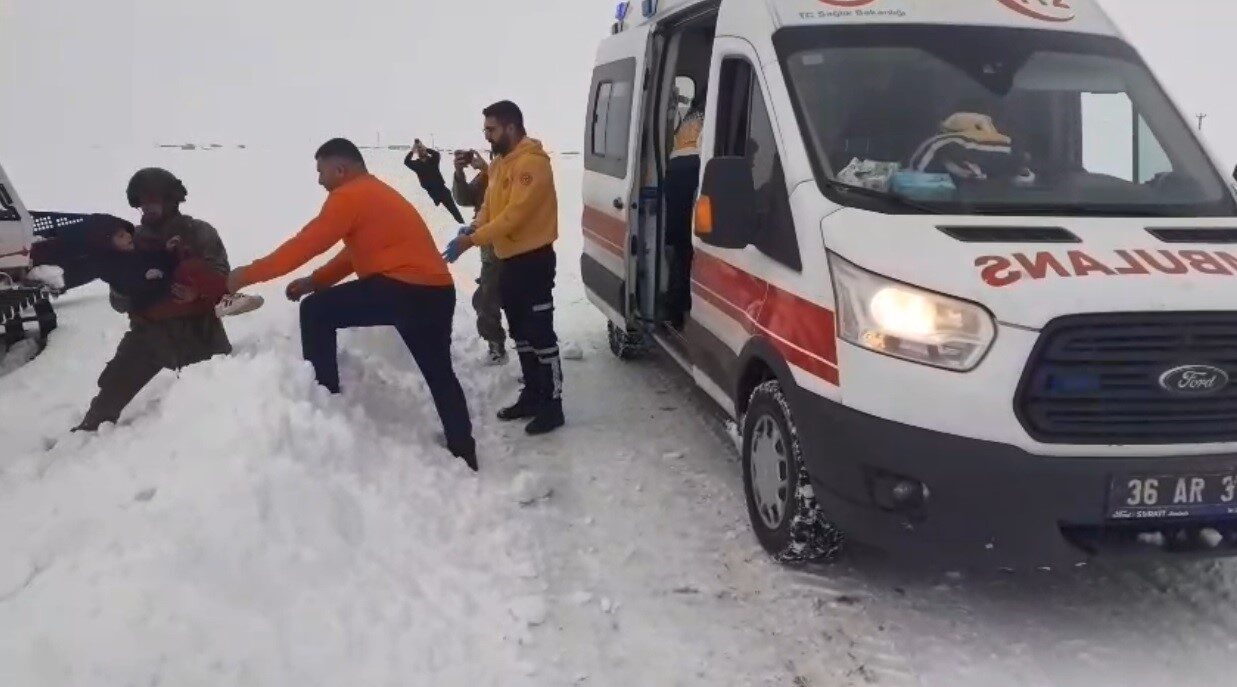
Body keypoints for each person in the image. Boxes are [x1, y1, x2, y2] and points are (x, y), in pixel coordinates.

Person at [227, 138, 477, 471]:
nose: (319, 180)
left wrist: (245, 275)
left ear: (339, 169)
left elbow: (305, 244)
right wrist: (316, 281)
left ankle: (322, 405)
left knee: (316, 311)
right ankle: (464, 452)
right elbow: (355, 252)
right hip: (435, 291)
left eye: (321, 172)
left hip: (403, 289)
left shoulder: (348, 196)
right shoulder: (375, 193)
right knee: (440, 374)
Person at [75, 169, 233, 432]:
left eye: (153, 200)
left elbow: (222, 280)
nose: (146, 207)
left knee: (221, 403)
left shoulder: (200, 233)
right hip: (148, 333)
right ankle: (78, 447)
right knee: (106, 402)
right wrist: (126, 288)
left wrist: (197, 292)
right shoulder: (130, 239)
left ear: (171, 199)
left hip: (198, 331)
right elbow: (118, 301)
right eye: (141, 201)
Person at [443, 101, 563, 436]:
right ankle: (533, 395)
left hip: (534, 261)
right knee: (521, 333)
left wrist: (474, 239)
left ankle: (553, 404)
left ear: (510, 127)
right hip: (507, 261)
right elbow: (489, 209)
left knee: (540, 333)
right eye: (485, 130)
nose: (487, 136)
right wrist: (473, 228)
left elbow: (514, 216)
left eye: (491, 130)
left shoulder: (532, 165)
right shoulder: (497, 165)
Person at [452, 148, 508, 366]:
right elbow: (463, 197)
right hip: (490, 251)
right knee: (485, 300)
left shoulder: (512, 172)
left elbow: (509, 197)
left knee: (490, 300)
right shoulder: (486, 176)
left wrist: (487, 169)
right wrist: (459, 172)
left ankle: (523, 347)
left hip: (514, 250)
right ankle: (497, 344)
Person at [404, 139, 467, 225]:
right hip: (432, 194)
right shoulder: (416, 165)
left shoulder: (433, 160)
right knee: (439, 216)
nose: (422, 151)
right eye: (420, 150)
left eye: (423, 150)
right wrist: (413, 150)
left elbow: (437, 154)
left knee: (454, 211)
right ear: (417, 153)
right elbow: (406, 162)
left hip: (443, 190)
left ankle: (462, 224)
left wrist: (425, 148)